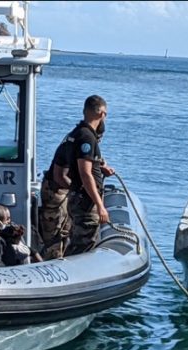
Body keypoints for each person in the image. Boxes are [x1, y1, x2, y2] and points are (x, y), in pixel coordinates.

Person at [39, 118, 105, 259]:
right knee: (55, 239)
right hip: (56, 193)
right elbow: (61, 176)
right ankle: (55, 268)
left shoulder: (73, 137)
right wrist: (81, 191)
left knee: (67, 232)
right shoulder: (84, 139)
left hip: (63, 191)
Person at [64, 95, 115, 256]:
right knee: (84, 244)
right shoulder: (87, 137)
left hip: (76, 196)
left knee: (78, 239)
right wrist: (100, 205)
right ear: (101, 113)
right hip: (84, 200)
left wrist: (100, 168)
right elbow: (85, 173)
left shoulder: (77, 133)